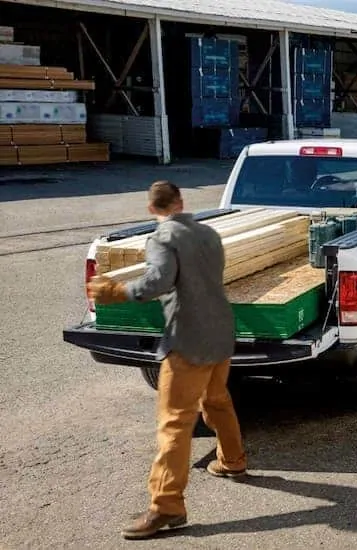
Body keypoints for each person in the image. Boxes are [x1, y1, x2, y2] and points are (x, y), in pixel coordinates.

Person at [87, 181, 248, 540]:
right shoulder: (210, 234)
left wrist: (119, 292)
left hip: (188, 340)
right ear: (181, 202)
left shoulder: (161, 239)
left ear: (152, 210)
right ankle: (233, 461)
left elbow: (157, 282)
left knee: (174, 422)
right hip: (222, 332)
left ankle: (166, 506)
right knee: (217, 400)